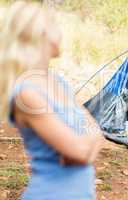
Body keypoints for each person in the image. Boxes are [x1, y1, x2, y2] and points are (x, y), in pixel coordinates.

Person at [0, 1, 111, 199]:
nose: (60, 33)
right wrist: (84, 145)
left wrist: (85, 145)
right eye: (54, 26)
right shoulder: (26, 93)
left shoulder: (58, 82)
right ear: (40, 34)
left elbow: (96, 134)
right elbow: (82, 149)